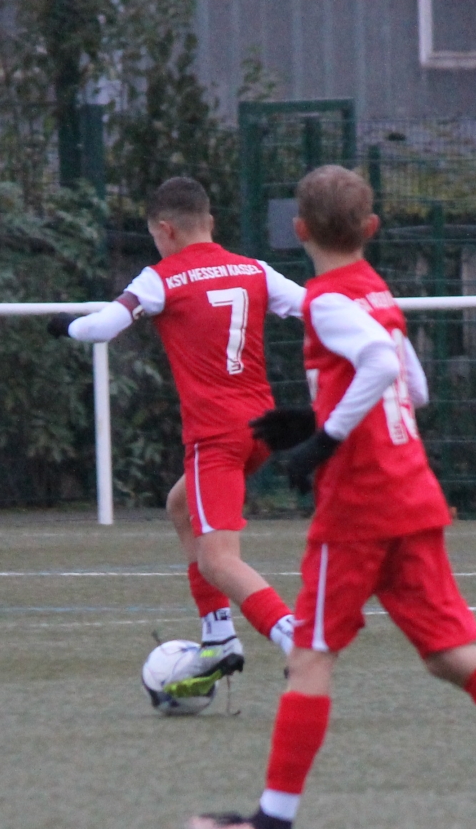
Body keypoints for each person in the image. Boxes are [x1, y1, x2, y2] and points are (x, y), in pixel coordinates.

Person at [186, 165, 476, 829]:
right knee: (450, 654)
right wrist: (315, 415)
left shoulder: (327, 300)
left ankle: (271, 825)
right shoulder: (378, 293)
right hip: (411, 495)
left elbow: (381, 375)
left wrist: (321, 441)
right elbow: (412, 387)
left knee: (310, 658)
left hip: (360, 507)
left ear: (299, 232)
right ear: (371, 230)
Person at [54, 176, 300, 700]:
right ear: (209, 222)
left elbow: (100, 328)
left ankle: (297, 640)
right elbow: (314, 307)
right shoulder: (254, 269)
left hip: (217, 435)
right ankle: (218, 637)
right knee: (180, 506)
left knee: (218, 559)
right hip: (261, 428)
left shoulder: (161, 277)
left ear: (165, 230)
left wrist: (66, 327)